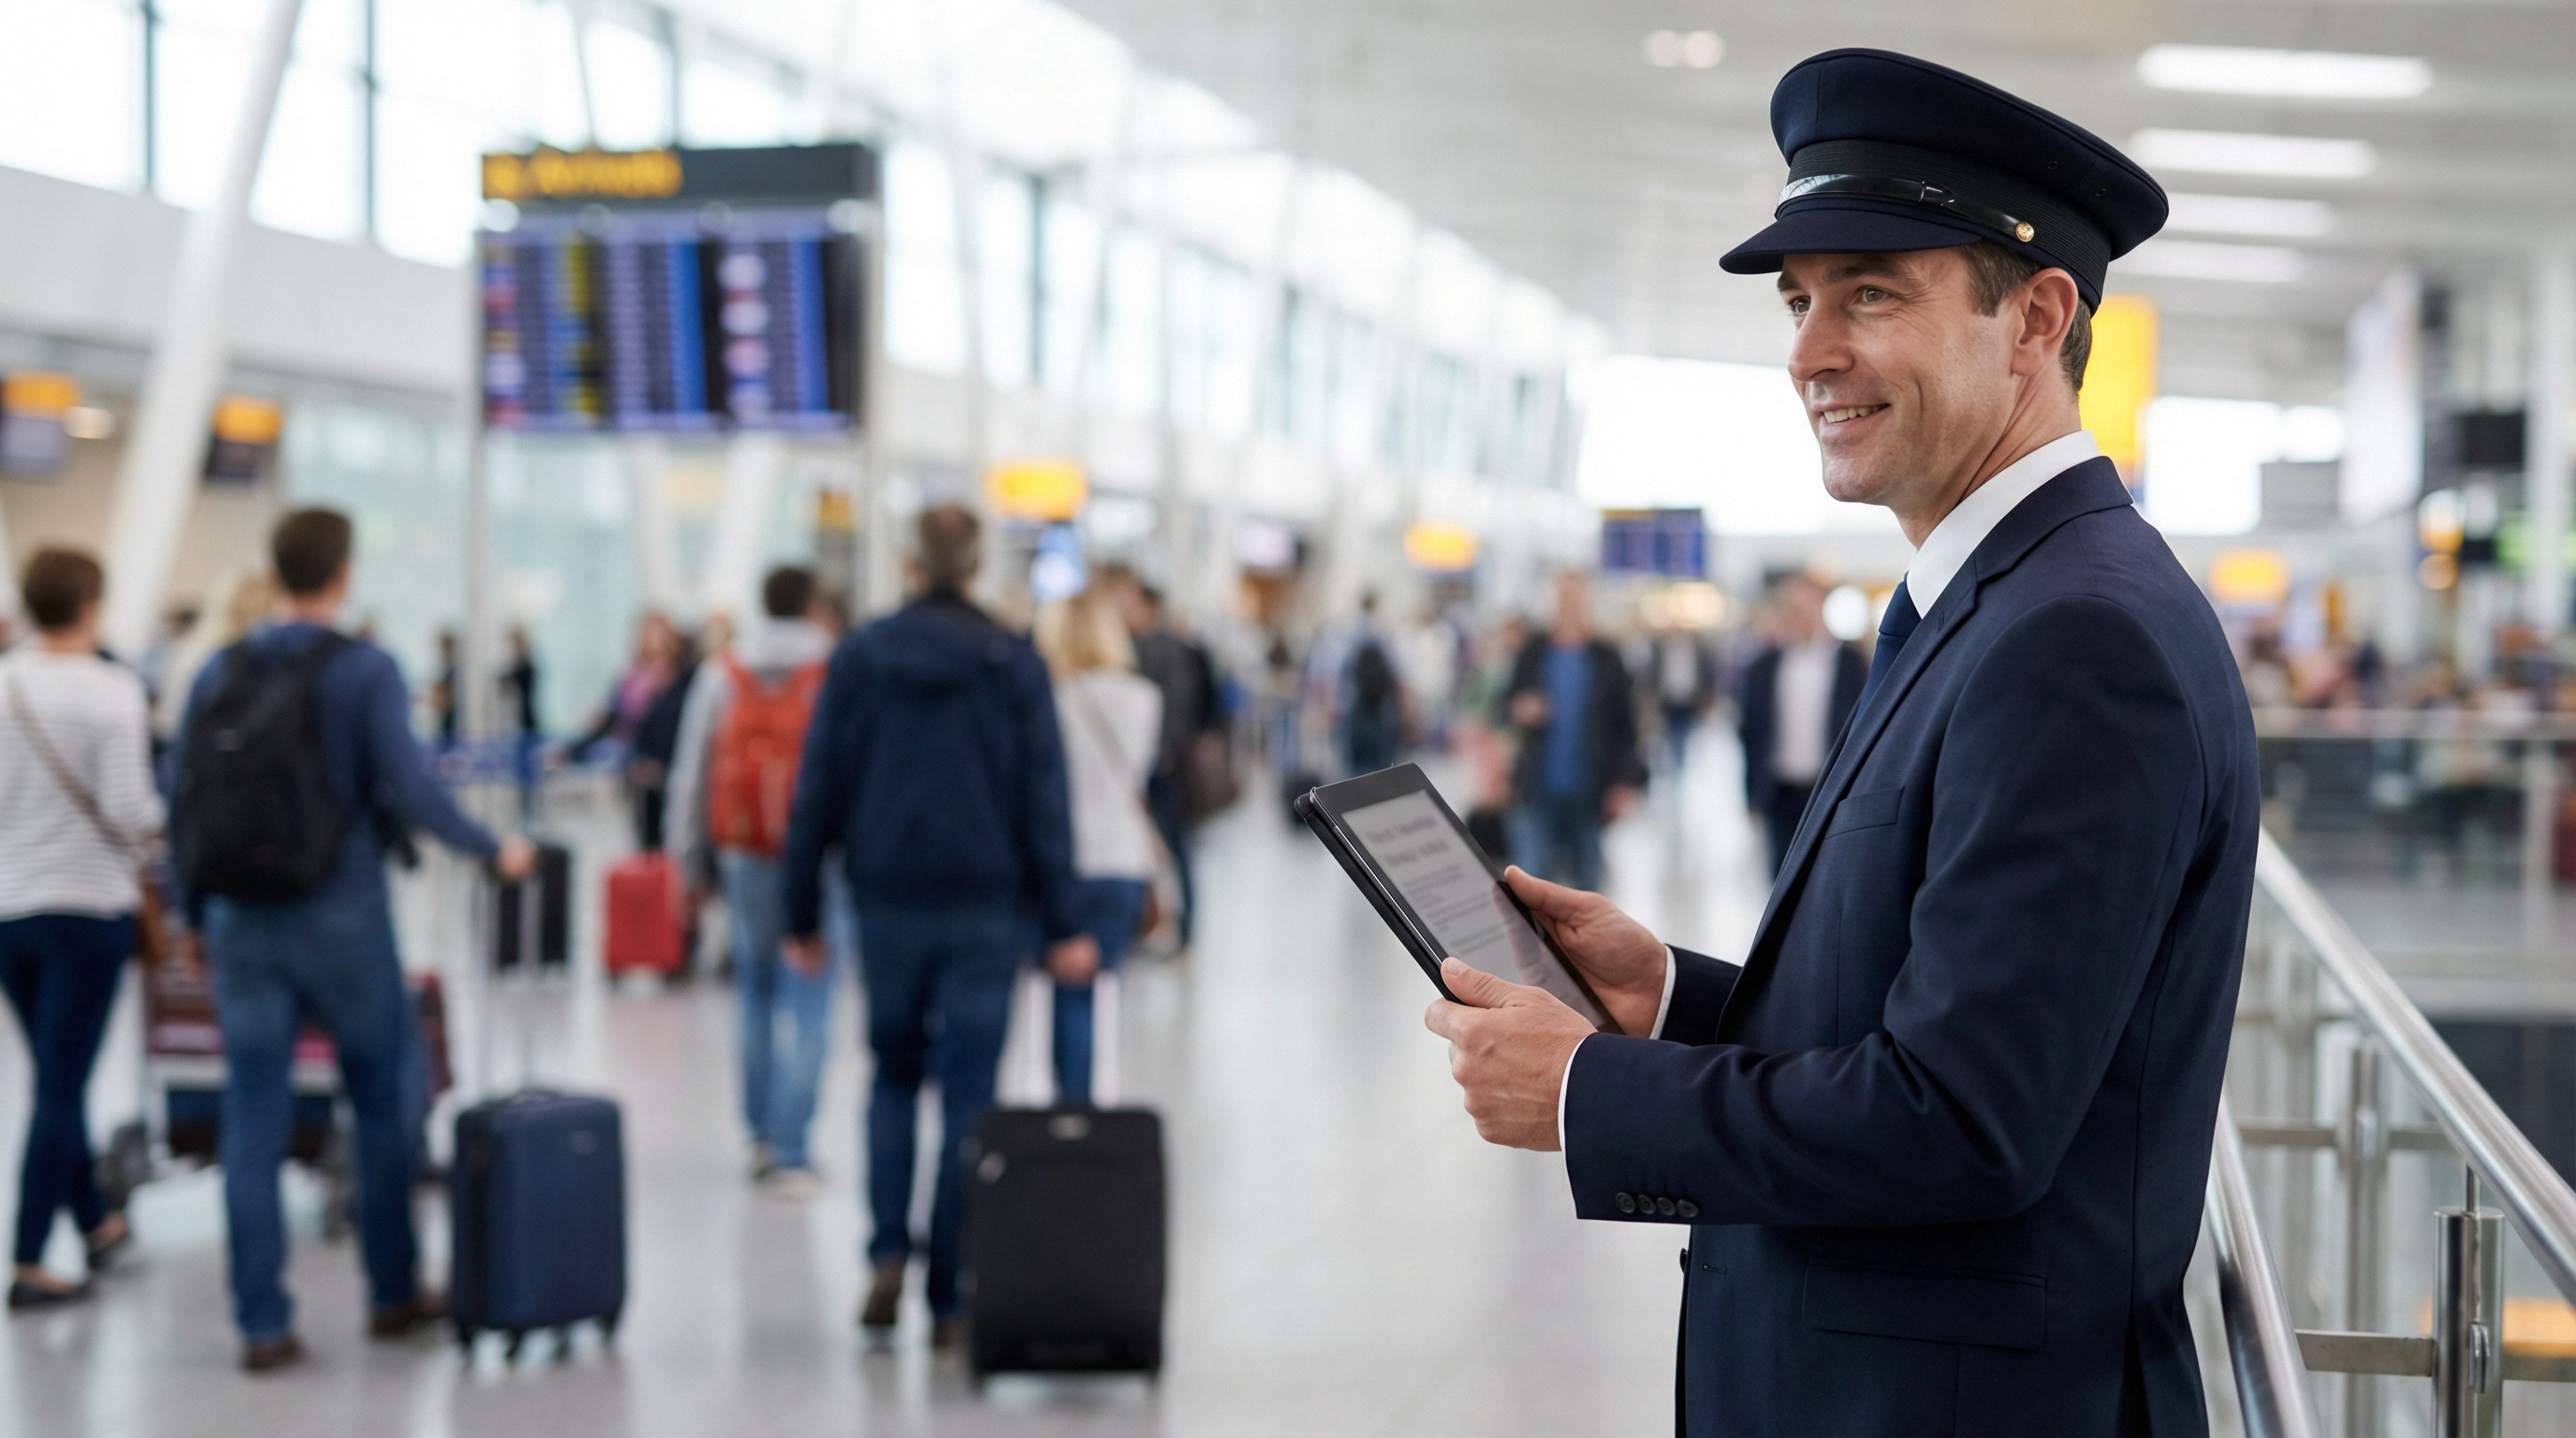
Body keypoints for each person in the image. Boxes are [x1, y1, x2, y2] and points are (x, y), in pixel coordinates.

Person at [1425, 51, 2261, 1435]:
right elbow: (1943, 1009)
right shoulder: (1989, 603)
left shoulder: (2077, 642)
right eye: (1802, 300)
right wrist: (1677, 1002)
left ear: (2037, 317)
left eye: (1873, 292)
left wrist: (1592, 1092)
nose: (1811, 351)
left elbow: (1962, 1120)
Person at [169, 509, 536, 1372]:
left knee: (251, 1117)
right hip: (342, 914)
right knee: (383, 1101)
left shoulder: (218, 667)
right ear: (343, 574)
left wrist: (189, 914)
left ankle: (262, 1322)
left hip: (241, 922)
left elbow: (181, 796)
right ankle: (392, 1289)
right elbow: (409, 787)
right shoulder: (364, 669)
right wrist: (495, 850)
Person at [780, 506, 1090, 1347]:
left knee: (890, 1076)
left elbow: (820, 786)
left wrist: (800, 908)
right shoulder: (1011, 659)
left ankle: (887, 1254)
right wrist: (1064, 919)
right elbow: (1043, 799)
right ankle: (951, 1293)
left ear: (912, 562)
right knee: (969, 1093)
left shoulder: (861, 656)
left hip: (886, 901)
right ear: (977, 563)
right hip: (987, 908)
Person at [0, 550, 159, 1310]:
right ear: (92, 605)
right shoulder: (112, 692)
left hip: (11, 911)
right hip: (88, 911)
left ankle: (96, 1224)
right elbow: (131, 809)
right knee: (61, 1090)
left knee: (52, 1077)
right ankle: (30, 1258)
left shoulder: (4, 682)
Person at [666, 567, 838, 1195]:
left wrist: (687, 864)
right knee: (812, 1000)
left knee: (755, 992)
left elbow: (693, 770)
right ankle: (795, 1149)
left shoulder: (724, 671)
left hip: (742, 848)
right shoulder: (832, 669)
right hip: (818, 856)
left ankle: (760, 1136)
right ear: (813, 604)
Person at [1033, 583, 1164, 1105]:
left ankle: (1071, 1109)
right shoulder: (1144, 698)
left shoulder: (1050, 699)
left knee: (1068, 995)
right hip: (1124, 863)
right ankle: (1088, 1107)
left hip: (1066, 861)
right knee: (1102, 989)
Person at [1497, 571, 1641, 893]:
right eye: (1563, 597)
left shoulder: (1606, 658)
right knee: (1531, 881)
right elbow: (1505, 703)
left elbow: (1625, 725)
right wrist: (1521, 708)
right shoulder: (1534, 651)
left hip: (1590, 786)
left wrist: (1624, 782)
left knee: (1586, 882)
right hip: (1536, 784)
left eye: (1576, 597)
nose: (1569, 605)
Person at [1105, 570, 1220, 948]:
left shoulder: (1165, 648)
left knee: (1175, 847)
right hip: (1157, 762)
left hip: (1165, 767)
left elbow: (1178, 705)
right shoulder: (1151, 645)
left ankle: (1182, 930)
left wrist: (1165, 753)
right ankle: (1160, 926)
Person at [1733, 574, 1865, 873]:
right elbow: (1750, 730)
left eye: (1807, 604)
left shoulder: (1850, 663)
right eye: (1792, 606)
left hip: (1831, 787)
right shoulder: (1766, 665)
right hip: (1780, 788)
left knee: (1828, 872)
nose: (1800, 613)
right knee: (1781, 872)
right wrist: (1751, 792)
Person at [572, 612, 681, 847]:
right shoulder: (630, 677)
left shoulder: (679, 677)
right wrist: (572, 751)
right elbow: (611, 718)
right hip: (637, 769)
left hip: (670, 770)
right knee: (646, 841)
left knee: (672, 842)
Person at [1337, 592, 1407, 776]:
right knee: (1382, 771)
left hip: (1354, 709)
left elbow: (1338, 672)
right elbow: (1398, 672)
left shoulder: (1349, 633)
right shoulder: (1383, 633)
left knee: (1351, 771)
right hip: (1381, 711)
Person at [1649, 624, 1719, 776]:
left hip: (1689, 701)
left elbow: (1708, 674)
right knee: (1670, 733)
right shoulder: (1661, 650)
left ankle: (1679, 763)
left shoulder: (1699, 651)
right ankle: (1674, 762)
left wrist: (1706, 696)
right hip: (1668, 701)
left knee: (1684, 733)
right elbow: (1653, 674)